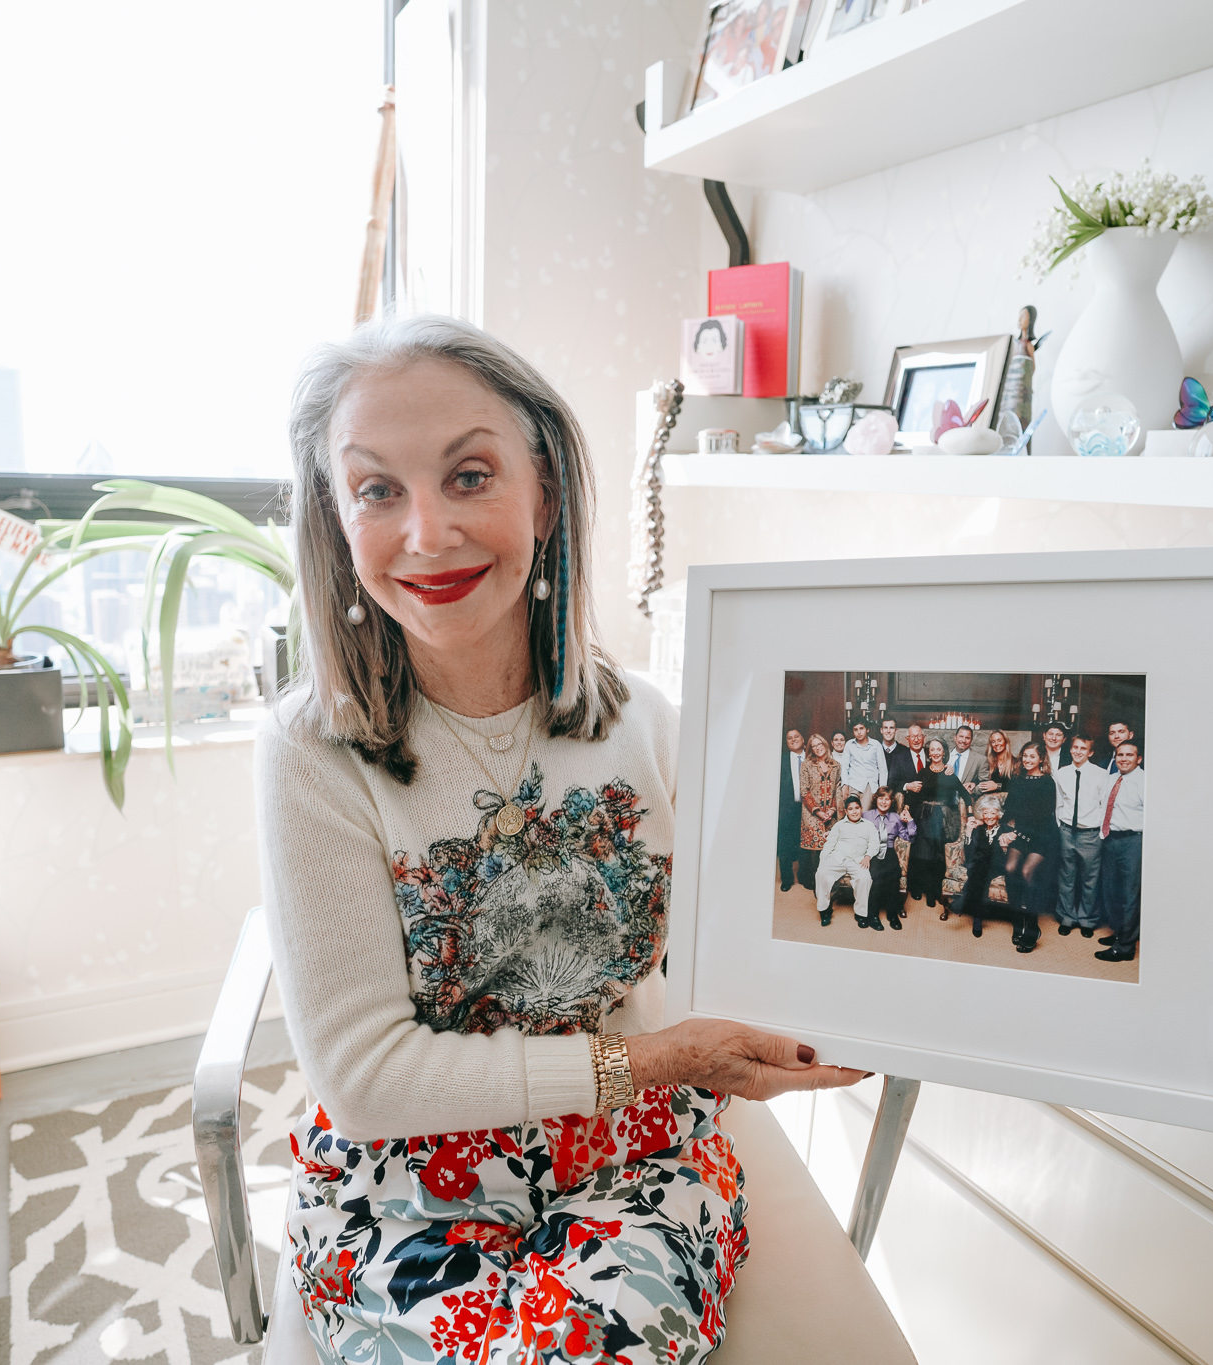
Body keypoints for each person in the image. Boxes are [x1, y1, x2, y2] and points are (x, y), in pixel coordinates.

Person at [260, 314, 864, 1361]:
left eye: (468, 476)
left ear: (542, 489)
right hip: (401, 1181)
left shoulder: (652, 721)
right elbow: (362, 1081)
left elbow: (745, 948)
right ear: (334, 518)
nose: (426, 535)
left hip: (636, 1160)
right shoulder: (309, 752)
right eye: (375, 490)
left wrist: (870, 1009)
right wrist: (657, 1057)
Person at [999, 741, 1059, 952]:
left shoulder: (1047, 782)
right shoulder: (1018, 780)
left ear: (1041, 759)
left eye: (1032, 757)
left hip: (1043, 835)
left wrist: (1015, 832)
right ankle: (1017, 921)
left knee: (1026, 872)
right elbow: (1009, 810)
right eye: (1025, 756)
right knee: (1009, 869)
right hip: (1021, 833)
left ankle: (1032, 927)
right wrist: (1001, 830)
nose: (1027, 760)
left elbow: (1043, 816)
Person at [1052, 732, 1113, 936]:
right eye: (1075, 747)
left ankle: (1087, 919)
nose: (1078, 752)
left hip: (1090, 834)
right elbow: (1058, 803)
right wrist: (1061, 825)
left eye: (1083, 749)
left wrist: (1101, 833)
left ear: (1091, 752)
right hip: (1067, 831)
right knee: (1066, 877)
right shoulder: (1062, 773)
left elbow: (1104, 806)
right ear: (1071, 749)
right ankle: (1067, 917)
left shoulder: (1100, 774)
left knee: (1090, 879)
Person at [1094, 739, 1145, 962]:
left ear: (1139, 759)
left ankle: (1125, 946)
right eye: (1120, 754)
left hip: (1132, 841)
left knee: (1128, 895)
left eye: (1129, 755)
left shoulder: (1145, 781)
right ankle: (1119, 934)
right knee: (1110, 891)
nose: (1123, 758)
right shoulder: (1111, 779)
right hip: (1110, 839)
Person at [908, 738, 964, 912]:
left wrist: (969, 814)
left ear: (944, 752)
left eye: (939, 749)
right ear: (929, 753)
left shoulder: (949, 773)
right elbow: (915, 794)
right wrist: (906, 807)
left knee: (937, 855)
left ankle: (934, 892)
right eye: (932, 749)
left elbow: (964, 794)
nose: (935, 752)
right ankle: (919, 888)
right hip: (923, 815)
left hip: (943, 818)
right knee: (922, 853)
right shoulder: (923, 773)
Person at [816, 794, 883, 926]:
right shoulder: (839, 825)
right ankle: (824, 910)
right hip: (838, 858)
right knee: (821, 874)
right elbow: (829, 844)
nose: (854, 812)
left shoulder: (869, 826)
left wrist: (868, 856)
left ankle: (860, 913)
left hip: (858, 860)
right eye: (850, 809)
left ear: (861, 808)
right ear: (846, 811)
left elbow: (875, 844)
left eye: (856, 808)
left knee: (864, 878)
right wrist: (823, 861)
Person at [949, 793, 1008, 937]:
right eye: (985, 812)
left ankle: (962, 902)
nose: (989, 816)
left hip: (996, 866)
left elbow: (1007, 856)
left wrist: (1005, 846)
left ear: (998, 814)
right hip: (978, 867)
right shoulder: (978, 829)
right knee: (979, 872)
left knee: (979, 868)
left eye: (992, 813)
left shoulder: (1005, 830)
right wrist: (968, 831)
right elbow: (969, 854)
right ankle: (977, 918)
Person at [863, 786, 913, 931]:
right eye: (881, 798)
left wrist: (909, 821)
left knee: (894, 874)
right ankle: (872, 915)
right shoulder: (866, 816)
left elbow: (908, 837)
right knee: (876, 876)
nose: (884, 802)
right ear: (875, 799)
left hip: (889, 850)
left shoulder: (896, 818)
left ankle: (892, 914)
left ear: (891, 802)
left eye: (887, 799)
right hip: (872, 851)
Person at [798, 733, 841, 889]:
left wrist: (832, 809)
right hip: (811, 814)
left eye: (820, 744)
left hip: (830, 813)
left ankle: (829, 880)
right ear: (811, 749)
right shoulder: (807, 765)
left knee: (830, 847)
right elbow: (804, 791)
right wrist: (818, 812)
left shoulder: (836, 765)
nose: (817, 748)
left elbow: (838, 790)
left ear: (825, 744)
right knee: (815, 850)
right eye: (814, 746)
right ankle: (815, 882)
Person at [777, 728, 808, 891]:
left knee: (805, 843)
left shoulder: (811, 758)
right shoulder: (780, 760)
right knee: (785, 844)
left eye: (797, 737)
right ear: (787, 742)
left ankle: (804, 876)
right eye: (790, 738)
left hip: (808, 808)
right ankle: (787, 879)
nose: (794, 740)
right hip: (787, 808)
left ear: (803, 740)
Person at [843, 720, 887, 811]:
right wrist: (845, 785)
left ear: (867, 729)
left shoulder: (876, 745)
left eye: (861, 728)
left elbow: (882, 769)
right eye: (855, 730)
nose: (859, 732)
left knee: (865, 815)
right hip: (853, 785)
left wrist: (882, 789)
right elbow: (845, 767)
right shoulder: (849, 745)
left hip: (870, 786)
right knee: (852, 814)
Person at [884, 720, 920, 797]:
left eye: (891, 728)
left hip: (901, 796)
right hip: (879, 796)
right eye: (885, 728)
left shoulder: (905, 751)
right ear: (881, 730)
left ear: (896, 730)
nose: (888, 731)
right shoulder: (876, 749)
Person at [974, 728, 1013, 796]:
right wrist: (974, 784)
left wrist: (997, 786)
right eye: (993, 741)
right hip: (989, 801)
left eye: (999, 740)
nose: (996, 744)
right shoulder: (986, 762)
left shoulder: (1015, 762)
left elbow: (1018, 786)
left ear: (1006, 742)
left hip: (1009, 801)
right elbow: (980, 782)